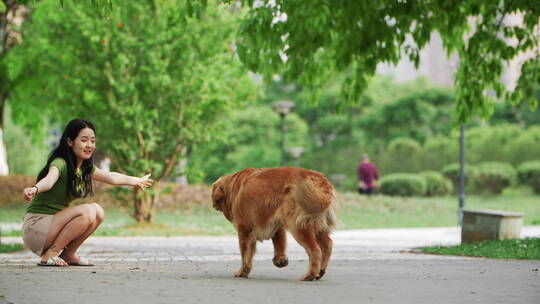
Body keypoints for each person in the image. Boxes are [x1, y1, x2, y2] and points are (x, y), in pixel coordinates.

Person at [21, 118, 153, 267]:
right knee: (88, 211)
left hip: (52, 227)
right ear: (70, 142)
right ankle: (50, 254)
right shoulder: (61, 162)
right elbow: (50, 179)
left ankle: (69, 254)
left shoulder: (84, 168)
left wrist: (136, 181)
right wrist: (35, 188)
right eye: (84, 140)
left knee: (98, 212)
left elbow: (111, 177)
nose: (89, 145)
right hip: (36, 228)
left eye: (92, 141)